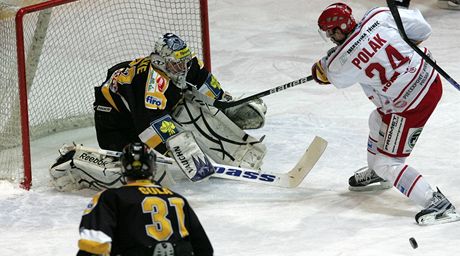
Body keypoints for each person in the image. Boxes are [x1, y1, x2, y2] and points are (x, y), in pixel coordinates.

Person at [49, 33, 267, 190]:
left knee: (190, 108)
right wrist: (177, 147)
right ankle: (73, 161)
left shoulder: (181, 64)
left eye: (183, 63)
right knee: (140, 174)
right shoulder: (150, 82)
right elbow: (149, 124)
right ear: (160, 61)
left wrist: (225, 105)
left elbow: (202, 80)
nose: (182, 69)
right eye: (176, 65)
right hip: (116, 124)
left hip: (145, 114)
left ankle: (238, 154)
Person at [311, 2, 458, 224]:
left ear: (338, 30)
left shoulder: (339, 62)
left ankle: (437, 204)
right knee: (377, 120)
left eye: (331, 32)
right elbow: (423, 30)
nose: (330, 37)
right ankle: (379, 175)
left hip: (410, 104)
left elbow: (323, 75)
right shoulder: (378, 15)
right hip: (427, 80)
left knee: (387, 162)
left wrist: (324, 64)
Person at [77, 142, 214, 256]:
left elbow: (94, 245)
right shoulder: (177, 199)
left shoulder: (110, 197)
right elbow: (204, 249)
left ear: (124, 168)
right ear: (153, 168)